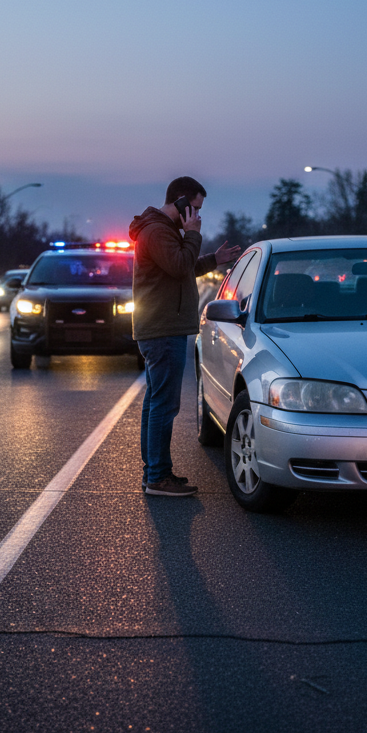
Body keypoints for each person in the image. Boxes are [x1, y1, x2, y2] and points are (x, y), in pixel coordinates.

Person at [128, 177, 242, 497]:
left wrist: (212, 260)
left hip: (164, 328)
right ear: (180, 201)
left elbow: (181, 267)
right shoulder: (157, 230)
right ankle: (158, 477)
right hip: (164, 330)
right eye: (194, 208)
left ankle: (154, 471)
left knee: (156, 403)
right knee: (163, 405)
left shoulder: (162, 230)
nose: (197, 215)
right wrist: (193, 235)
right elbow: (179, 265)